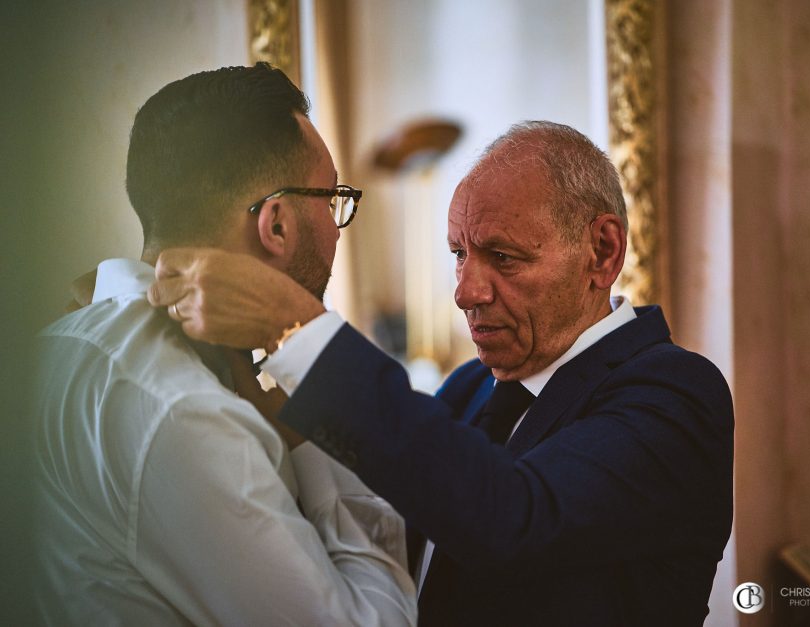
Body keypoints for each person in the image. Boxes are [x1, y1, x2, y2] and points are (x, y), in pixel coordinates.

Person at [148, 121, 734, 625]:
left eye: (502, 257)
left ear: (602, 253)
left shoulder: (676, 395)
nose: (465, 293)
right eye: (459, 254)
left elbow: (510, 518)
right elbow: (380, 526)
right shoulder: (472, 386)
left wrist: (298, 328)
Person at [33, 63, 416, 626]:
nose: (338, 225)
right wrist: (311, 445)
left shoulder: (58, 344)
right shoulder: (186, 411)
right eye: (333, 198)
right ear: (277, 224)